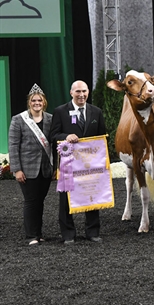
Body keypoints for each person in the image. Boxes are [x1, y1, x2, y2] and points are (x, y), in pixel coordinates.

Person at [49, 80, 107, 245]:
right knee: (66, 199)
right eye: (78, 92)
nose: (81, 95)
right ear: (71, 93)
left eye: (84, 91)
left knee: (92, 195)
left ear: (88, 92)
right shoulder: (60, 111)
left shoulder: (96, 112)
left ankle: (93, 232)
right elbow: (53, 136)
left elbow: (102, 137)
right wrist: (65, 137)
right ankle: (68, 234)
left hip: (90, 164)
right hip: (69, 165)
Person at [8, 84, 53, 245]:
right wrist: (16, 169)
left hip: (46, 169)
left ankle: (38, 233)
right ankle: (30, 235)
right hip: (27, 169)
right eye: (33, 100)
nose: (37, 103)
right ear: (29, 102)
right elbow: (13, 146)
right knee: (30, 201)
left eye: (39, 100)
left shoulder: (50, 119)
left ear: (44, 102)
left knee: (40, 201)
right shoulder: (18, 120)